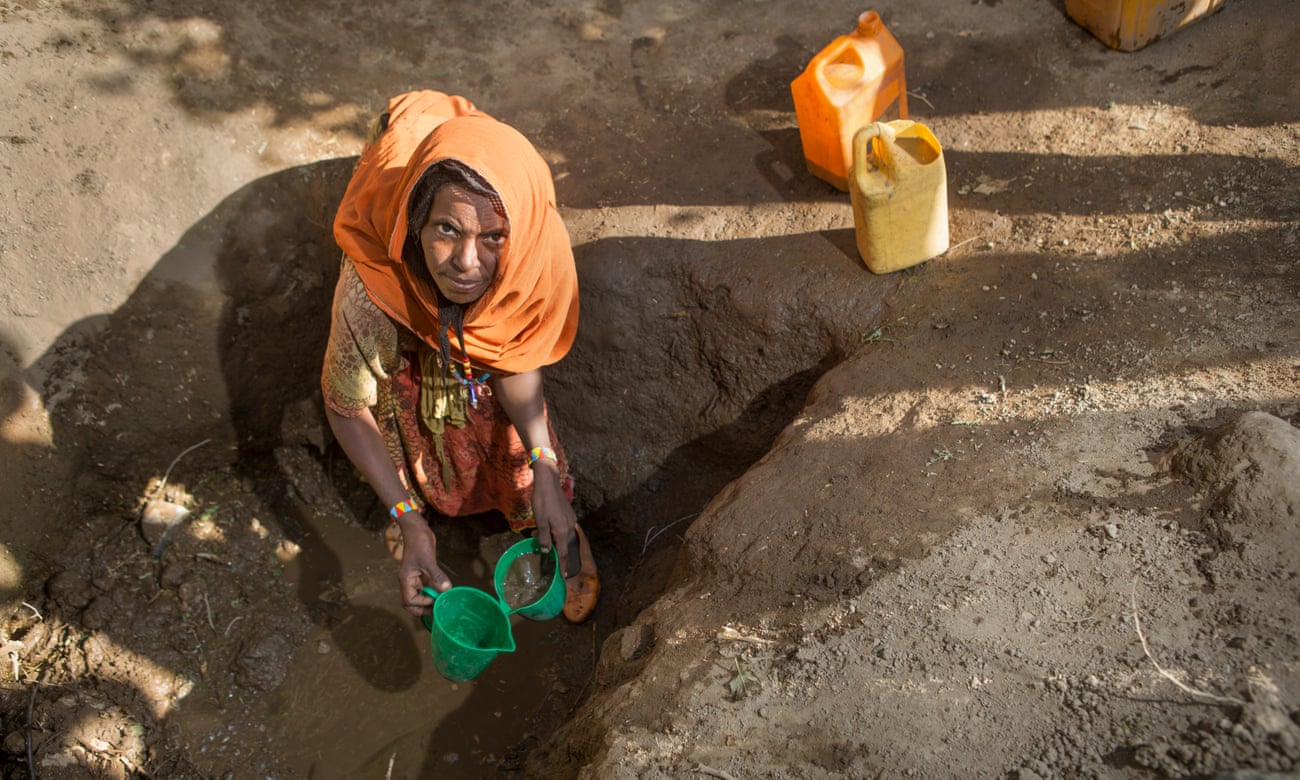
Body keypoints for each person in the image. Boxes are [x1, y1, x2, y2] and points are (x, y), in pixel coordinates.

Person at [321, 90, 598, 623]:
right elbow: (344, 404)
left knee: (510, 426)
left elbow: (513, 354)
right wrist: (406, 517)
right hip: (398, 302)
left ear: (517, 234)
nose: (466, 263)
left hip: (467, 149)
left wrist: (544, 465)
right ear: (415, 225)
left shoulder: (534, 259)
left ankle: (550, 510)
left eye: (493, 236)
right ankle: (413, 507)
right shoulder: (371, 286)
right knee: (400, 394)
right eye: (447, 229)